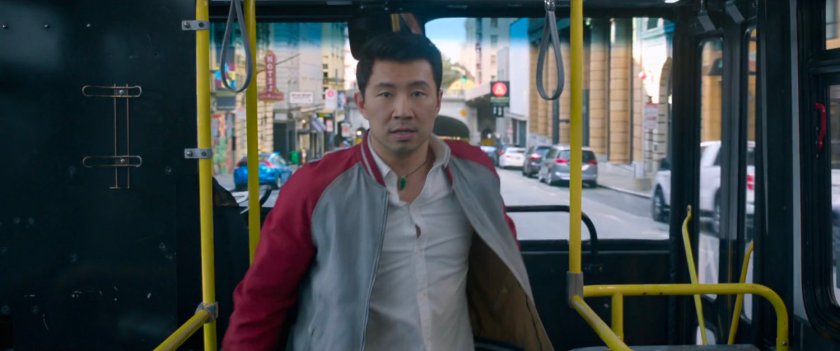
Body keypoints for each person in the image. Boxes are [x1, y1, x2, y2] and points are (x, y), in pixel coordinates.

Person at [222, 32, 553, 351]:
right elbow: (262, 301)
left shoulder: (475, 172)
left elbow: (503, 258)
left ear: (438, 101)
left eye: (418, 93)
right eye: (386, 94)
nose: (403, 110)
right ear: (361, 103)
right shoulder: (315, 187)